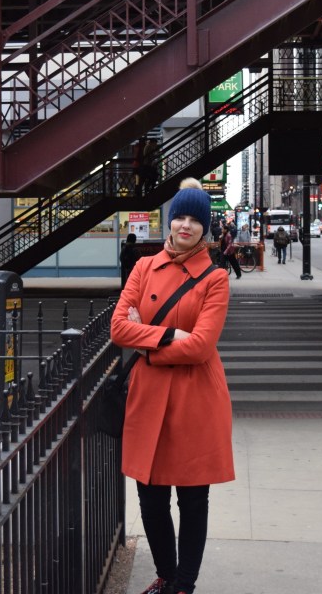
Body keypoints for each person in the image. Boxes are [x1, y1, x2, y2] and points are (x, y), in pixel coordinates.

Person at [111, 178, 234, 594]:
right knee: (151, 498)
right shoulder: (144, 266)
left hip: (194, 399)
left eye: (194, 219)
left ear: (205, 227)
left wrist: (146, 342)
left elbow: (201, 347)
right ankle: (165, 575)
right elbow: (117, 327)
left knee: (193, 500)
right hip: (149, 399)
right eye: (178, 216)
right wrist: (167, 338)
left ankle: (184, 585)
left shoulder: (215, 278)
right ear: (169, 221)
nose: (184, 225)